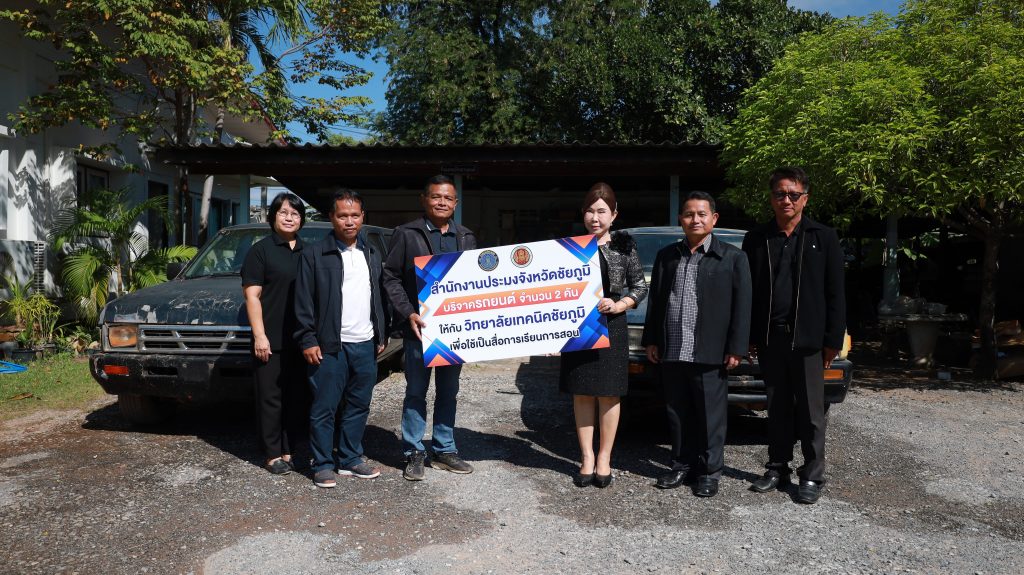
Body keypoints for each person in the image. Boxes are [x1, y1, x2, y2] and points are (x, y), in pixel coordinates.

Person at [742, 166, 846, 504]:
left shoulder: (823, 237)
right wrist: (749, 335)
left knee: (812, 412)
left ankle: (812, 474)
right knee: (777, 407)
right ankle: (777, 467)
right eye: (780, 194)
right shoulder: (757, 238)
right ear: (771, 198)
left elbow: (836, 293)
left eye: (793, 194)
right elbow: (748, 291)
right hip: (770, 337)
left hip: (809, 340)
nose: (786, 200)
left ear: (805, 198)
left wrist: (832, 340)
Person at [642, 192, 751, 497]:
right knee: (677, 412)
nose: (695, 220)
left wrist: (736, 347)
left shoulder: (732, 258)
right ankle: (680, 465)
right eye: (689, 214)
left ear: (713, 219)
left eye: (702, 214)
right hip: (673, 348)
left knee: (710, 416)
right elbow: (656, 302)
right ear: (681, 219)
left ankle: (708, 472)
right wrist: (652, 339)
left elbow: (743, 307)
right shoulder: (667, 256)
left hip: (710, 351)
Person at [383, 175, 478, 481]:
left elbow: (476, 282)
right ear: (424, 199)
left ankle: (444, 450)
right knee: (416, 392)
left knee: (449, 392)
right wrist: (408, 312)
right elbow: (390, 277)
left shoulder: (466, 237)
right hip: (418, 329)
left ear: (456, 203)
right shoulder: (407, 234)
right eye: (436, 196)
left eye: (448, 198)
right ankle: (413, 452)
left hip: (453, 331)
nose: (441, 202)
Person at [294, 189, 389, 489]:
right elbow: (303, 301)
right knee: (325, 408)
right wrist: (308, 339)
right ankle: (322, 463)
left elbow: (379, 297)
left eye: (355, 215)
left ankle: (350, 458)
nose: (349, 221)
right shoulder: (314, 254)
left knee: (359, 404)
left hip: (365, 343)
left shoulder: (371, 253)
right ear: (331, 217)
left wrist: (381, 333)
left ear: (363, 217)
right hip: (329, 345)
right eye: (343, 215)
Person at [560, 182, 647, 488]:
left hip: (613, 326)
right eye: (589, 211)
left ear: (614, 215)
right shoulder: (569, 247)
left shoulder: (624, 246)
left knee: (609, 394)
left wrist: (619, 304)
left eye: (601, 211)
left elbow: (640, 286)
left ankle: (604, 458)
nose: (595, 218)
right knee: (582, 392)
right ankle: (586, 457)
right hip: (578, 328)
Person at [241, 193, 311, 475]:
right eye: (283, 212)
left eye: (295, 213)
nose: (289, 218)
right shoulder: (261, 251)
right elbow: (252, 296)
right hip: (270, 339)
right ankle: (271, 454)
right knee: (271, 398)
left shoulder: (308, 251)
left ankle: (289, 449)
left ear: (301, 219)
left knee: (297, 397)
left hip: (301, 339)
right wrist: (260, 335)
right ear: (273, 217)